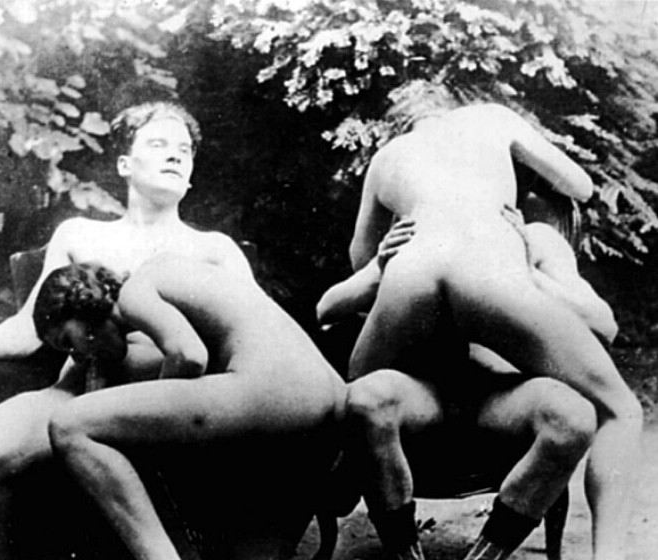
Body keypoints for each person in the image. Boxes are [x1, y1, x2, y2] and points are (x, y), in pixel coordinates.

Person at [0, 100, 254, 559]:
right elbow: (31, 325)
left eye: (184, 150)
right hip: (80, 389)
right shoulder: (81, 234)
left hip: (180, 402)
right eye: (158, 144)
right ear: (125, 164)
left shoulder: (214, 249)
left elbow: (250, 340)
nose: (174, 155)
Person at [338, 97, 643, 560]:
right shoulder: (492, 117)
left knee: (358, 398)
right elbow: (580, 187)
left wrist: (386, 256)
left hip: (411, 265)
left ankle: (390, 534)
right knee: (621, 410)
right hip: (488, 263)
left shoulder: (387, 156)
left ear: (407, 125)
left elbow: (359, 259)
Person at [318, 213, 611, 560]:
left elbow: (604, 323)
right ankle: (406, 556)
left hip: (502, 396)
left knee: (574, 417)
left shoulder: (534, 237)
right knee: (367, 399)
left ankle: (485, 557)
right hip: (423, 394)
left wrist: (529, 273)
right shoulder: (417, 232)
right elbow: (327, 308)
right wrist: (382, 270)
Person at [31, 255, 347, 560]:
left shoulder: (133, 292)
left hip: (280, 392)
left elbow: (188, 355)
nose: (78, 357)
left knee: (69, 425)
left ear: (83, 302)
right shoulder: (170, 271)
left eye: (68, 340)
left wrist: (150, 428)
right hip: (328, 402)